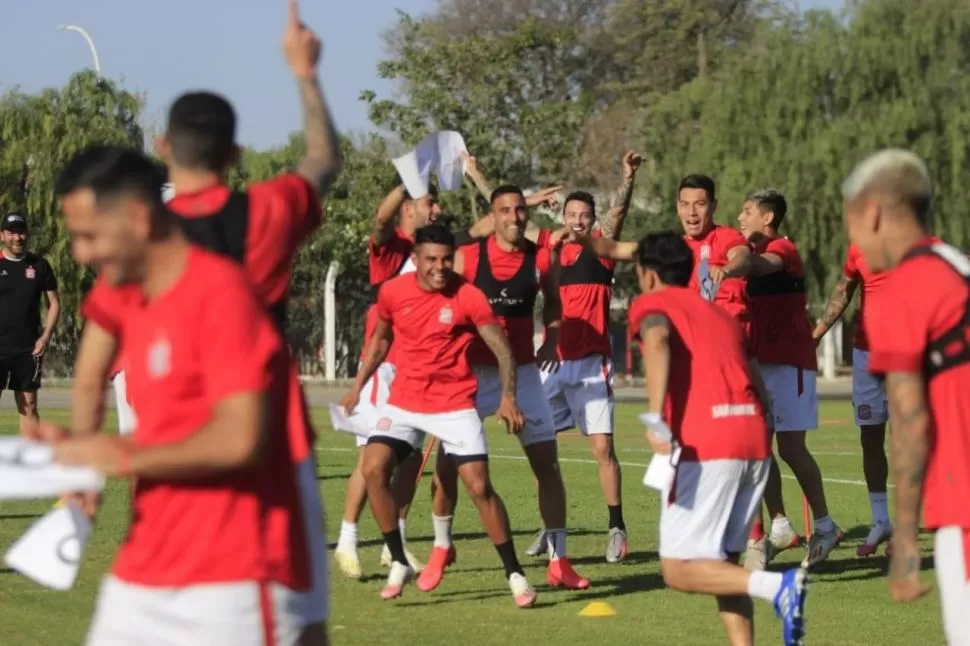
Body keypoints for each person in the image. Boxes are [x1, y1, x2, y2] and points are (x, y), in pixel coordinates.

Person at [61, 2, 339, 640]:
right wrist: (304, 73)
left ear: (163, 147)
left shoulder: (135, 246)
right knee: (305, 623)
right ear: (236, 151)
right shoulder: (267, 213)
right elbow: (321, 161)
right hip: (274, 443)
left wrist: (87, 460)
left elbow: (90, 370)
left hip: (189, 433)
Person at [47, 146, 319, 645]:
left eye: (88, 235)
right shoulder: (130, 296)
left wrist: (116, 453)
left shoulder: (223, 295)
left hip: (229, 580)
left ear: (134, 217)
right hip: (144, 569)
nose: (80, 255)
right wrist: (73, 458)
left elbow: (240, 440)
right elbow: (93, 383)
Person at [341, 224, 537, 607]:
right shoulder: (394, 292)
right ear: (415, 260)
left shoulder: (469, 296)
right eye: (431, 259)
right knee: (373, 469)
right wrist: (357, 386)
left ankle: (514, 572)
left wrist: (509, 396)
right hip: (404, 403)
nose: (440, 266)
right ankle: (398, 559)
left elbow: (502, 350)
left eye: (446, 258)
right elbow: (381, 339)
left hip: (454, 404)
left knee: (479, 487)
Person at [629, 230, 808, 646]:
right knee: (724, 565)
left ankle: (779, 588)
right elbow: (755, 377)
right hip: (753, 441)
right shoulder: (719, 315)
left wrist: (657, 421)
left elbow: (656, 340)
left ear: (646, 272)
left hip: (706, 445)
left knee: (678, 569)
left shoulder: (652, 303)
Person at [418, 185, 589, 592]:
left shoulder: (541, 258)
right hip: (469, 375)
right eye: (506, 211)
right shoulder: (468, 257)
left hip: (525, 374)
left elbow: (552, 303)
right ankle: (441, 547)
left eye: (519, 211)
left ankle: (558, 561)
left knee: (547, 464)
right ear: (493, 217)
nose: (515, 217)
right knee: (447, 468)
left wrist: (550, 336)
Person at [843, 148, 969, 644]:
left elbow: (910, 422)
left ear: (872, 212)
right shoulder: (957, 265)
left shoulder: (900, 291)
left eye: (851, 222)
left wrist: (906, 542)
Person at [736, 189, 841, 570]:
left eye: (746, 211)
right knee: (756, 449)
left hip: (790, 364)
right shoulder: (747, 254)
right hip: (760, 364)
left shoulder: (784, 249)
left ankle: (826, 526)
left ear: (768, 217)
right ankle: (779, 525)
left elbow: (763, 266)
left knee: (791, 449)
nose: (740, 217)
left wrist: (731, 258)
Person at [812, 242, 893, 556]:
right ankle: (882, 521)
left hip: (908, 353)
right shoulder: (860, 247)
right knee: (870, 438)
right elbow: (844, 290)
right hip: (866, 353)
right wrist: (817, 333)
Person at [0, 212, 60, 435]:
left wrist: (45, 337)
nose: (17, 237)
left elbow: (54, 303)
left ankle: (30, 461)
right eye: (12, 232)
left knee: (29, 407)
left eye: (21, 232)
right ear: (2, 235)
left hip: (28, 349)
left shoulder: (40, 266)